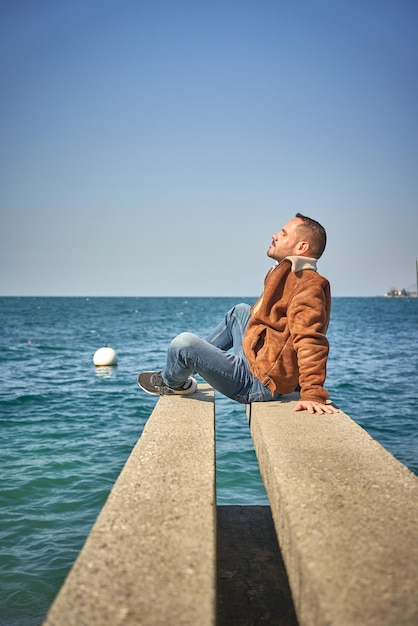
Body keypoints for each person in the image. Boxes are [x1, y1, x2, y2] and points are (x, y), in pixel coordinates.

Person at [138, 213, 338, 414]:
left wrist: (312, 392)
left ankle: (171, 382)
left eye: (283, 234)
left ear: (301, 247)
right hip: (258, 362)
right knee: (240, 312)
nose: (275, 235)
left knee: (183, 344)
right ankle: (190, 365)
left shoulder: (307, 285)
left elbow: (310, 340)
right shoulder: (287, 274)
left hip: (258, 384)